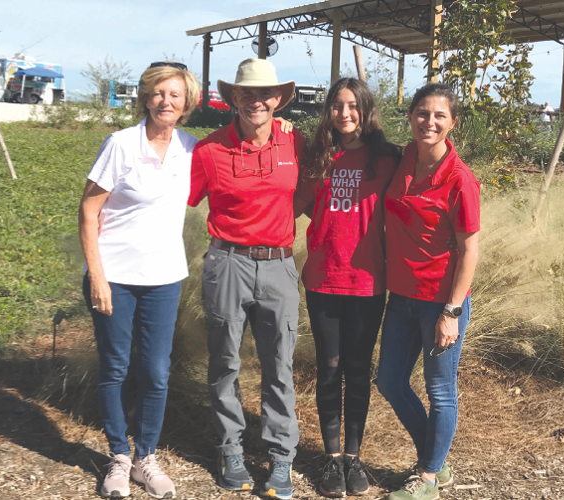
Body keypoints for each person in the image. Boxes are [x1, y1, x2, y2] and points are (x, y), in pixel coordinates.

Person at [78, 61, 200, 499]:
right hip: (116, 278)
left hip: (164, 278)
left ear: (187, 103)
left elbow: (233, 154)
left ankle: (146, 455)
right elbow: (89, 210)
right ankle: (118, 457)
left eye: (175, 95)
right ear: (146, 97)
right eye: (158, 93)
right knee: (115, 367)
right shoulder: (121, 144)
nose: (166, 101)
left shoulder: (190, 147)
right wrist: (97, 276)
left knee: (156, 371)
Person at [188, 58, 304, 500]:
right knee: (225, 362)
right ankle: (230, 448)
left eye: (264, 93)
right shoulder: (208, 150)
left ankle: (279, 457)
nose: (256, 100)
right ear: (232, 97)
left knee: (279, 366)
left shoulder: (296, 144)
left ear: (278, 99)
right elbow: (173, 197)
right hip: (227, 263)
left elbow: (317, 189)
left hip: (278, 264)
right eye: (246, 93)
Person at [294, 77, 400, 497]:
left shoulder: (387, 159)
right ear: (329, 112)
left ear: (366, 109)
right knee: (329, 369)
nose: (345, 113)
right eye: (337, 105)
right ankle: (332, 458)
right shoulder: (319, 158)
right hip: (323, 280)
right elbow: (295, 206)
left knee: (358, 371)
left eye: (353, 105)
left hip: (368, 281)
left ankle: (354, 457)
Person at [376, 83, 480, 500]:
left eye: (439, 115)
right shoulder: (402, 158)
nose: (429, 122)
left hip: (441, 301)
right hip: (400, 299)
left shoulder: (459, 179)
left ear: (452, 123)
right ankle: (435, 459)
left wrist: (451, 311)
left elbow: (470, 249)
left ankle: (430, 478)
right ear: (410, 117)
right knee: (389, 382)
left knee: (440, 391)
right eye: (422, 113)